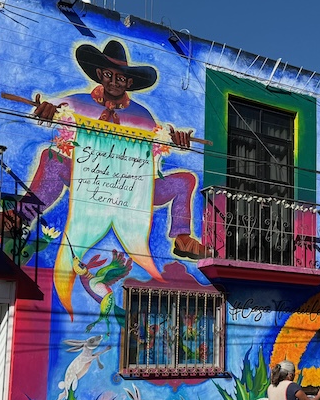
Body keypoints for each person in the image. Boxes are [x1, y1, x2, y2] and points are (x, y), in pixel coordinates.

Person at [23, 39, 205, 261]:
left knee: (185, 180)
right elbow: (48, 108)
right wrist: (47, 109)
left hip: (132, 186)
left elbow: (158, 144)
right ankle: (18, 218)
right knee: (51, 159)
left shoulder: (143, 116)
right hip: (87, 178)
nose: (115, 82)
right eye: (109, 75)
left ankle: (182, 239)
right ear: (100, 74)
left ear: (129, 82)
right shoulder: (75, 102)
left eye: (121, 78)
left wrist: (176, 140)